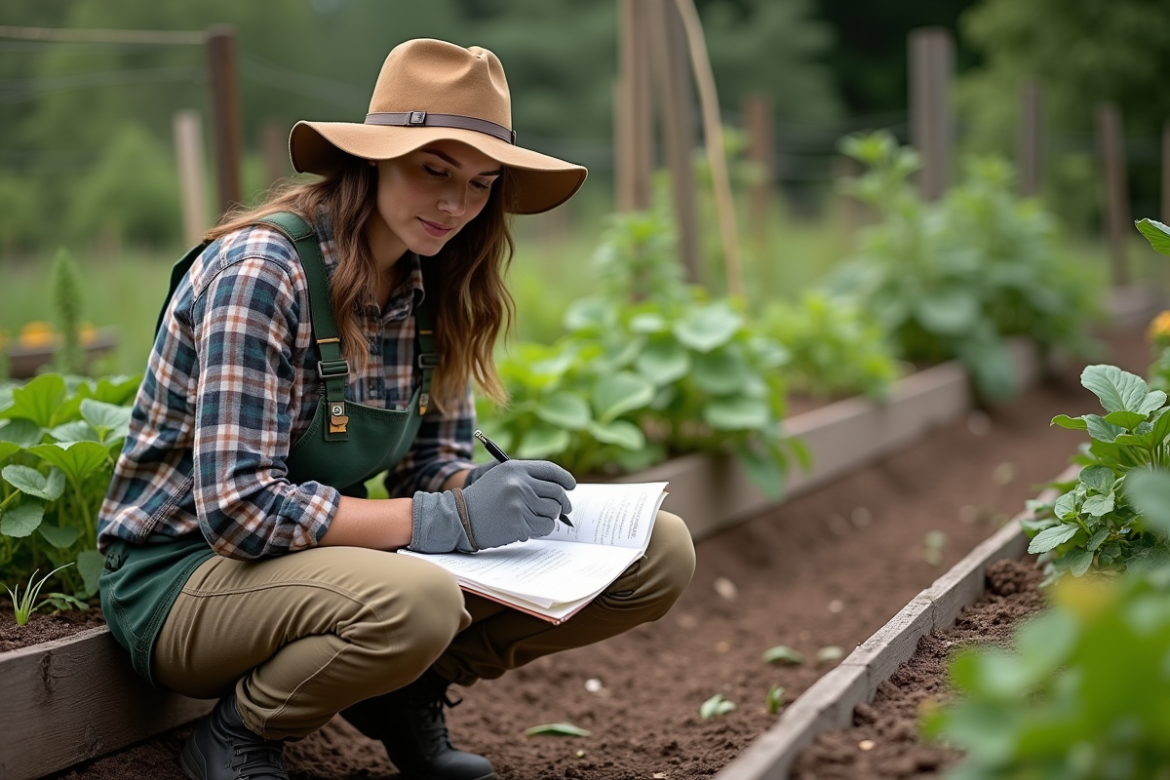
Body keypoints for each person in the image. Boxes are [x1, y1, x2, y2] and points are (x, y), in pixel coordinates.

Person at [97, 38, 696, 780]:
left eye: (480, 184)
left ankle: (407, 691)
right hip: (185, 577)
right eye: (432, 170)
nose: (455, 205)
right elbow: (239, 510)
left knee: (657, 552)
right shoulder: (264, 271)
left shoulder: (434, 283)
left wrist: (484, 494)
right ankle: (239, 736)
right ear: (374, 158)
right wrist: (447, 521)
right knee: (417, 601)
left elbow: (430, 464)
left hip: (310, 565)